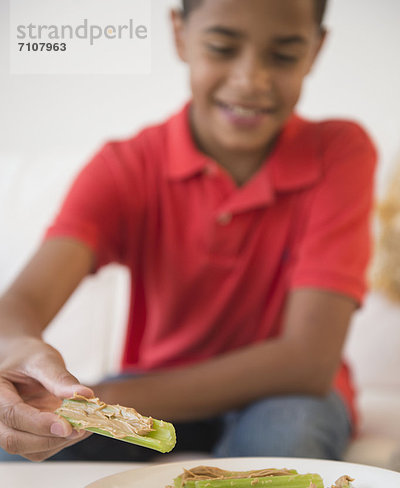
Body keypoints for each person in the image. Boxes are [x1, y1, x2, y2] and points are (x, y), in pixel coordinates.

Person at [0, 0, 377, 462]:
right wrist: (14, 345)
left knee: (284, 442)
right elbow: (22, 302)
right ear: (179, 34)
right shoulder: (126, 166)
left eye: (281, 56)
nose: (250, 80)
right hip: (160, 388)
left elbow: (307, 362)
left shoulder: (340, 152)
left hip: (287, 396)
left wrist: (93, 400)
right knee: (16, 442)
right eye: (222, 48)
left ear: (316, 50)